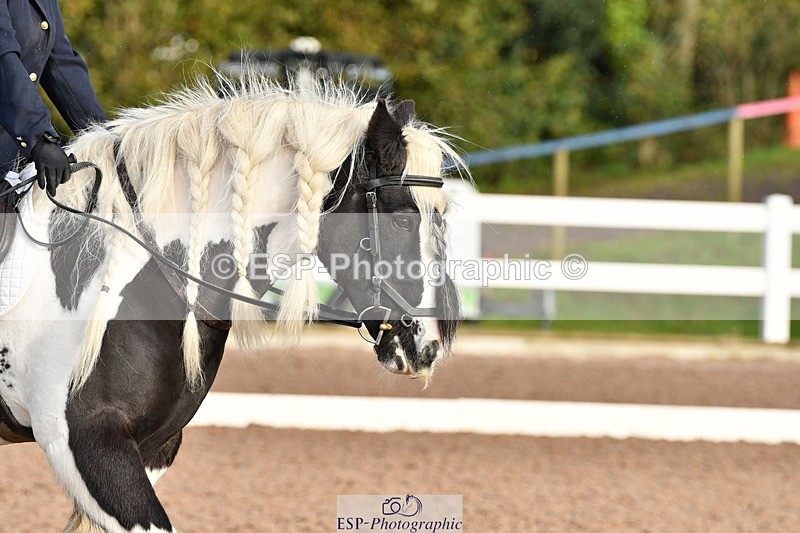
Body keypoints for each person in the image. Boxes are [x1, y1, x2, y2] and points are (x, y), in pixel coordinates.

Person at [0, 0, 106, 197]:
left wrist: (104, 138)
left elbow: (60, 63)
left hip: (9, 159)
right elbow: (3, 57)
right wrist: (39, 138)